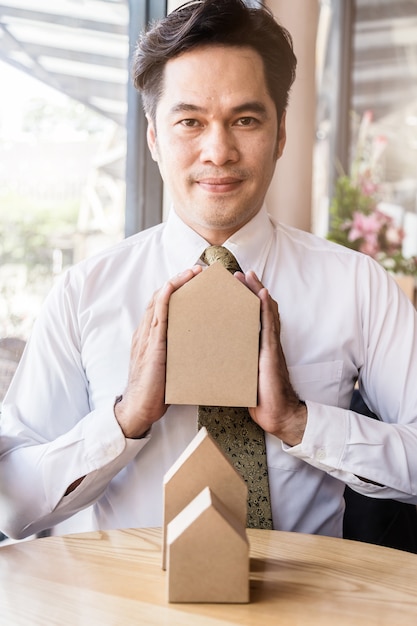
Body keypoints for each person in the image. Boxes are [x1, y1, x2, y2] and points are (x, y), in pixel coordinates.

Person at [1, 0, 417, 541]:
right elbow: (10, 504)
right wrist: (124, 421)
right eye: (189, 122)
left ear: (281, 133)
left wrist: (299, 422)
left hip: (306, 613)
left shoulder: (358, 285)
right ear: (153, 137)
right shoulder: (84, 292)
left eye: (245, 120)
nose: (218, 151)